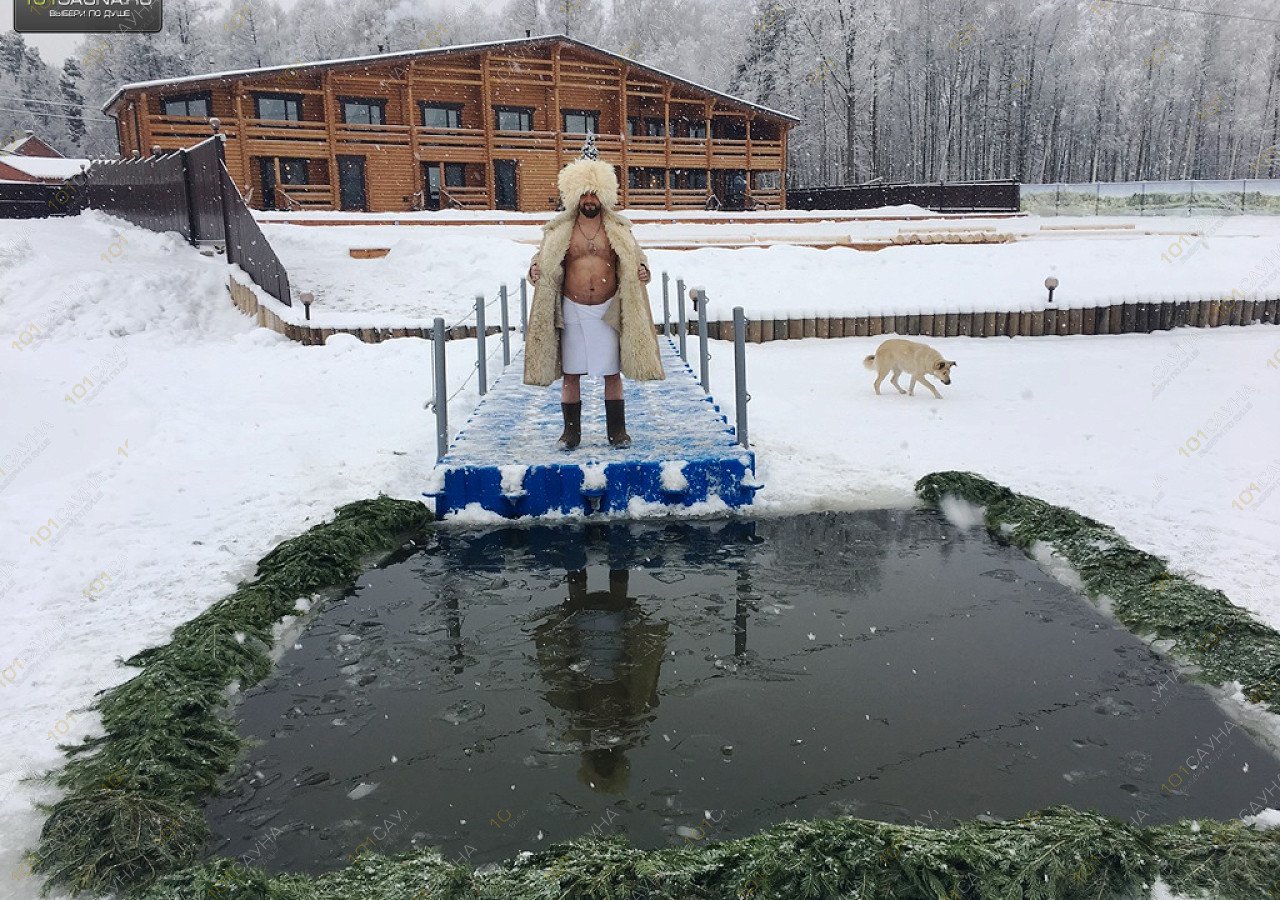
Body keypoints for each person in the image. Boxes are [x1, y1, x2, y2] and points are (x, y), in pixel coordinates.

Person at [524, 135, 664, 450]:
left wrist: (643, 269)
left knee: (611, 374)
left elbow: (636, 258)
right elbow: (541, 258)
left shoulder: (619, 228)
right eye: (584, 193)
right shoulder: (560, 229)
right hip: (572, 308)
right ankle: (570, 433)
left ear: (604, 195)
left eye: (594, 193)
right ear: (574, 195)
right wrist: (533, 269)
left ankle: (617, 431)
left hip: (606, 310)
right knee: (571, 374)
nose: (589, 199)